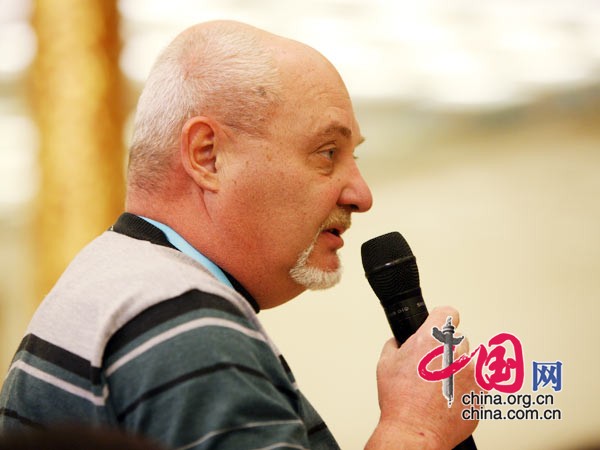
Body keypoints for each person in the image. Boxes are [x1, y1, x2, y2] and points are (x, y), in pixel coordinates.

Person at [0, 20, 478, 449]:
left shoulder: (114, 281)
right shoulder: (186, 327)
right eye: (328, 152)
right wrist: (416, 428)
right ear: (208, 156)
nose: (361, 194)